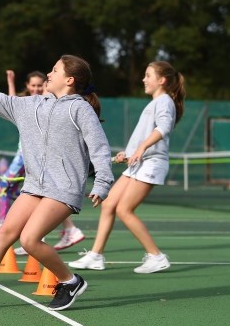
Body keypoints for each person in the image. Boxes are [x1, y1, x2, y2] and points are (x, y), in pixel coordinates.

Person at [0, 55, 113, 311]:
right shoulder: (30, 105)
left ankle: (70, 281)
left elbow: (100, 148)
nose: (49, 74)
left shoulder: (80, 109)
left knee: (29, 240)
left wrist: (102, 183)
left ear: (69, 80)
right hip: (34, 186)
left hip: (64, 189)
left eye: (54, 70)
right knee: (4, 235)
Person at [69, 61, 185, 274]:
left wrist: (141, 148)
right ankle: (95, 256)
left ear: (162, 80)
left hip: (151, 163)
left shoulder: (164, 102)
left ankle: (156, 256)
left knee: (124, 209)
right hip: (138, 162)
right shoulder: (154, 103)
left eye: (148, 75)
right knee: (109, 203)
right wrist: (129, 153)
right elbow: (146, 135)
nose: (143, 79)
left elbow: (164, 127)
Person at [0, 70, 85, 254]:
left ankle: (8, 228)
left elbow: (10, 102)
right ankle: (64, 229)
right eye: (33, 85)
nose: (37, 88)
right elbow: (9, 104)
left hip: (31, 155)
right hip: (27, 154)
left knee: (8, 185)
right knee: (39, 193)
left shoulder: (49, 100)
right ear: (28, 86)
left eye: (40, 85)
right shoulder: (28, 102)